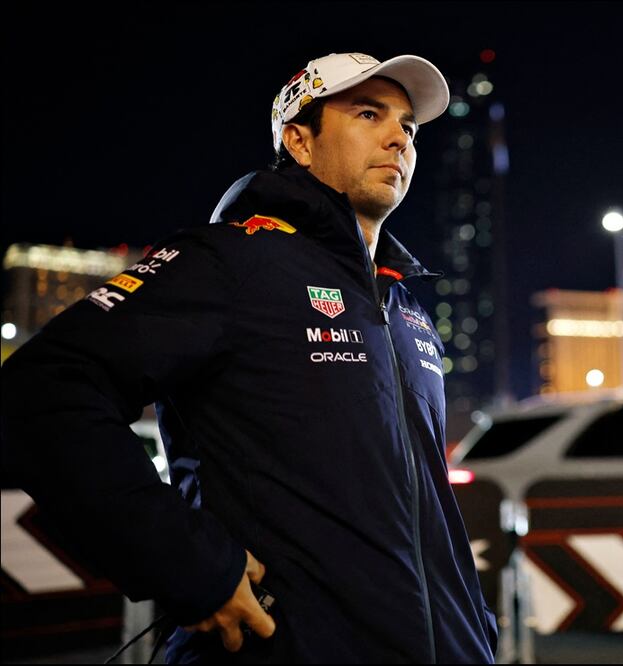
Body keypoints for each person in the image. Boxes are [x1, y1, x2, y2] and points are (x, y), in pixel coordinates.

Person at [1, 52, 497, 663]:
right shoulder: (232, 263)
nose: (399, 138)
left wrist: (476, 630)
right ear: (299, 141)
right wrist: (187, 565)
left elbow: (424, 509)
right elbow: (43, 390)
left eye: (409, 126)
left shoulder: (406, 308)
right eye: (369, 114)